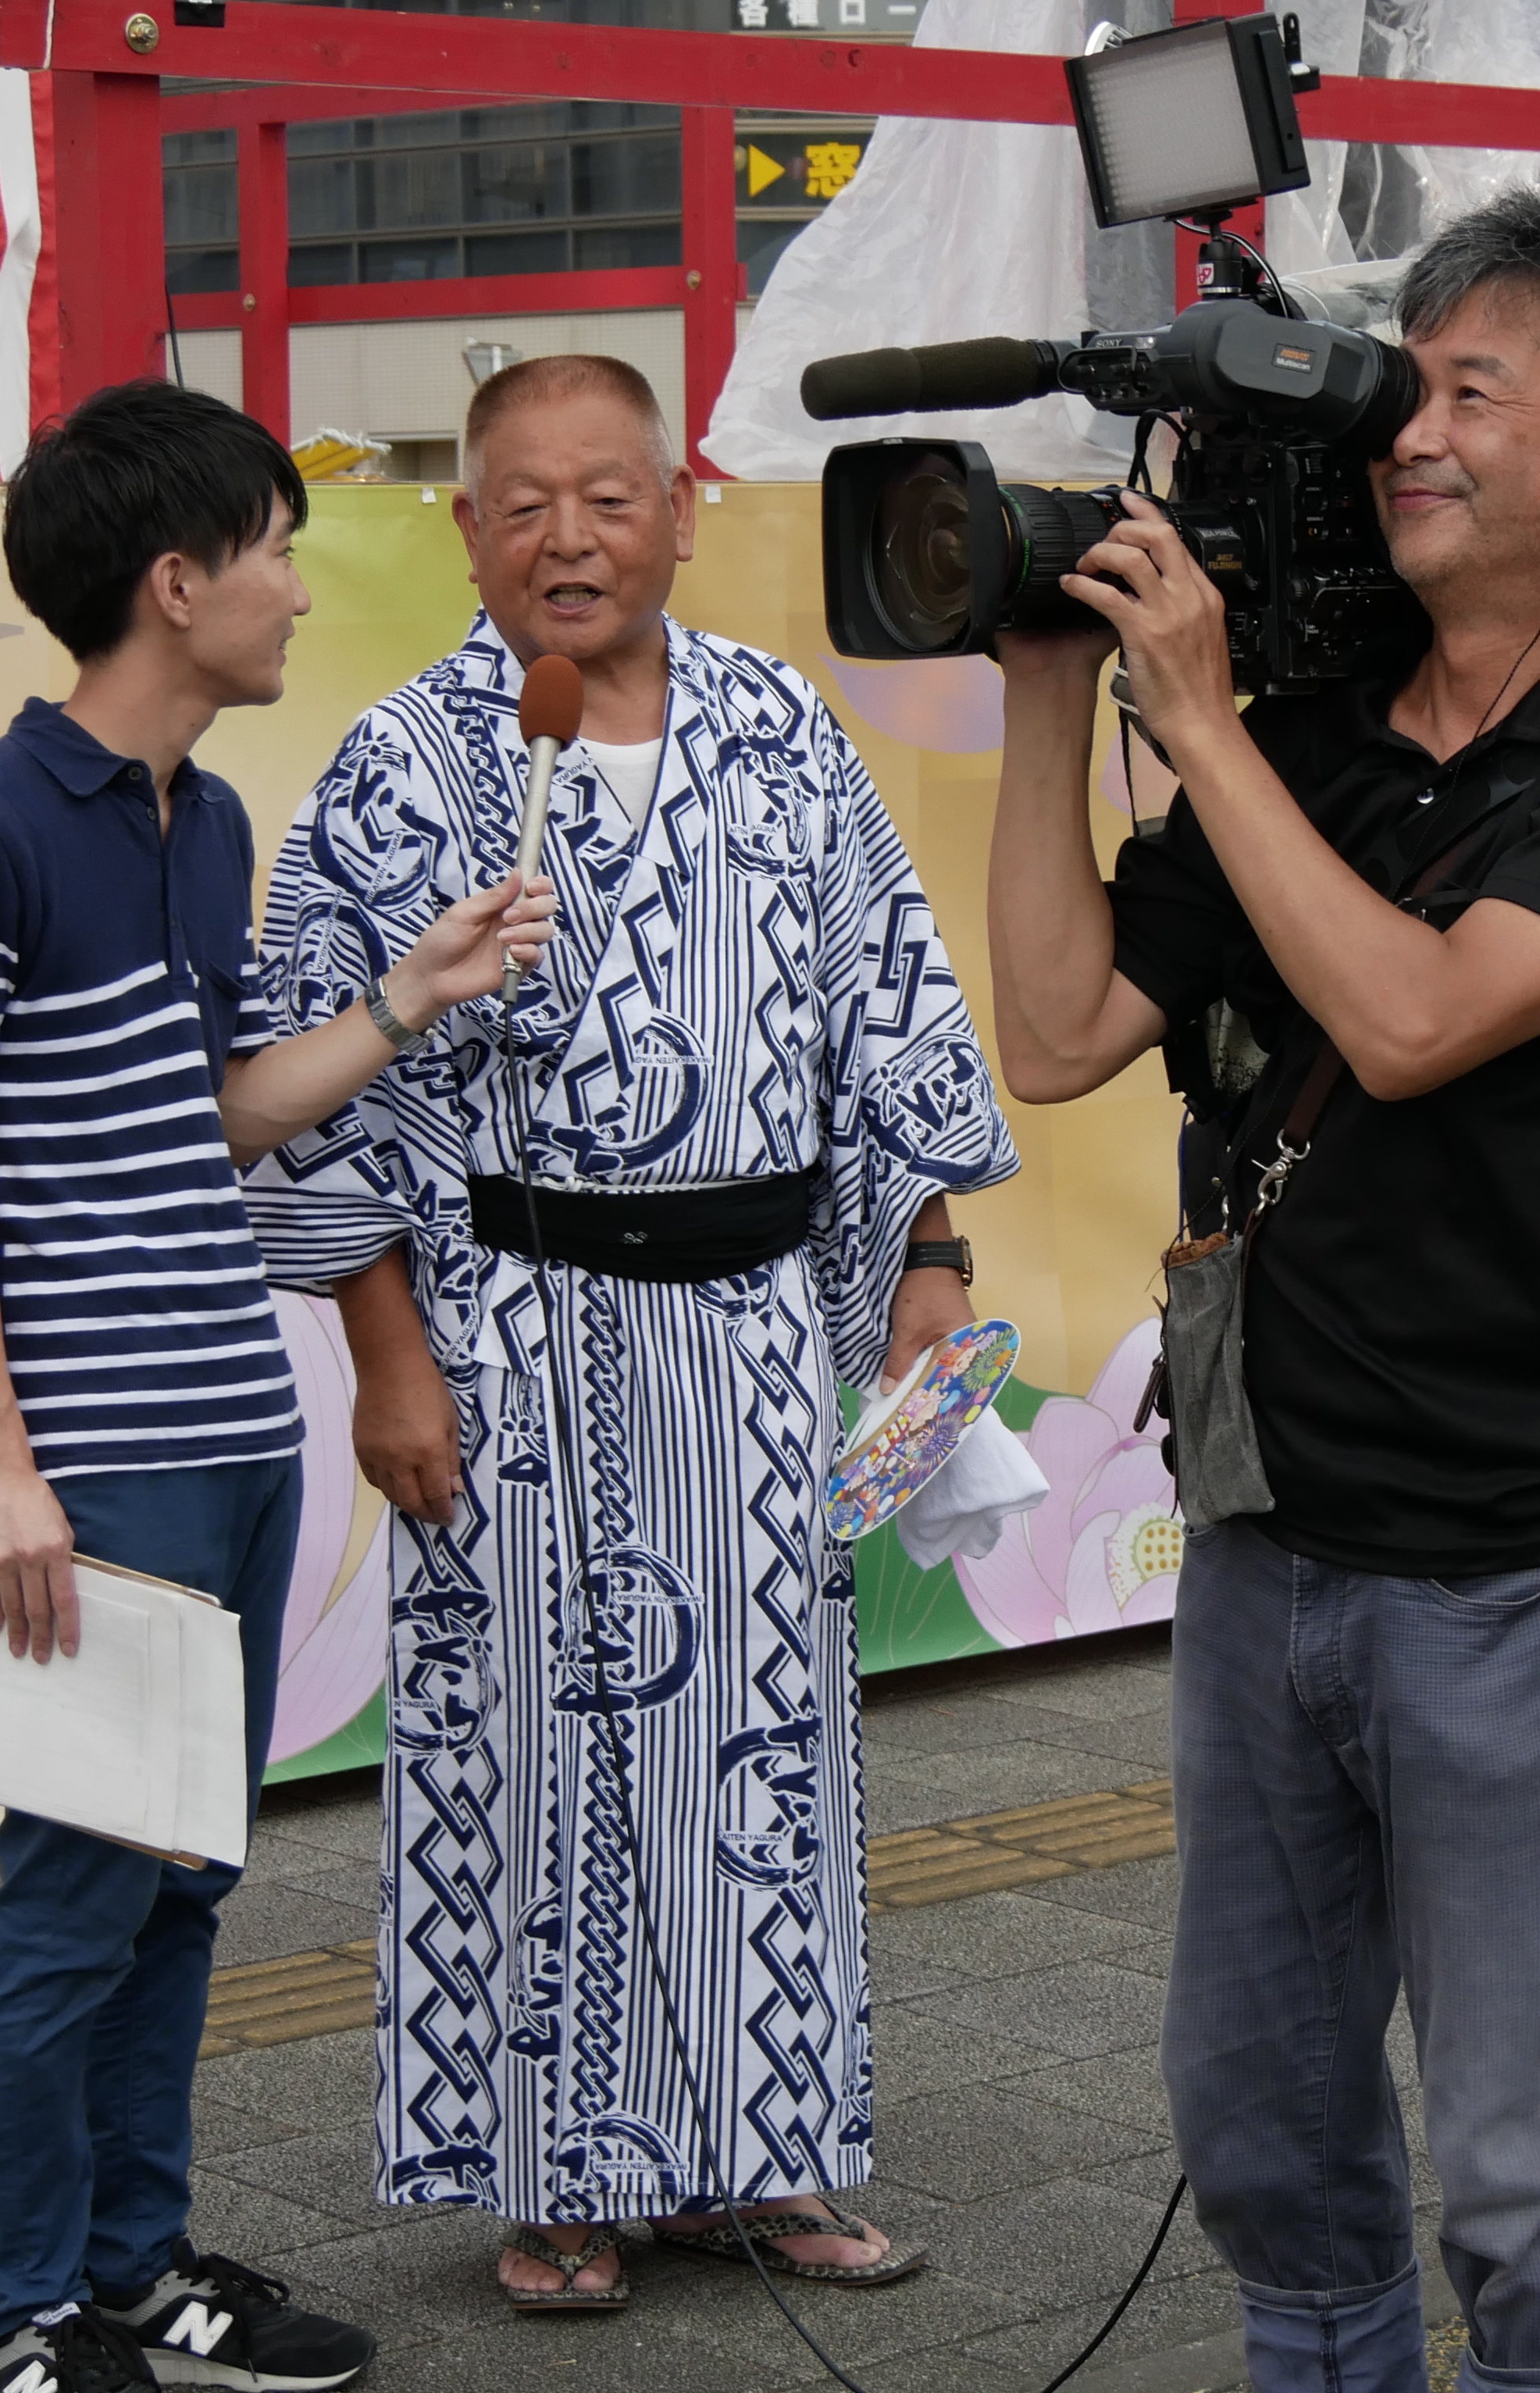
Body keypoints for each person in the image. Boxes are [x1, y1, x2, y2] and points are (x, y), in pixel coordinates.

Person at [984, 187, 1540, 2393]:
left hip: (1505, 1574)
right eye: (1400, 389)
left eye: (1468, 392)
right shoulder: (1312, 736)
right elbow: (1052, 1034)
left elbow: (1424, 1019)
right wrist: (1061, 699)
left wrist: (1211, 726)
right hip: (1259, 1544)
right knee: (1266, 2138)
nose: (1408, 434)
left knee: (1525, 2185)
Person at [245, 356, 1015, 2307]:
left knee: (766, 1755)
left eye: (608, 496)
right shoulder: (399, 766)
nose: (567, 536)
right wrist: (387, 1357)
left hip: (751, 1336)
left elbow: (886, 1014)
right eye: (523, 502)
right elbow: (318, 1085)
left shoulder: (786, 733)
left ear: (682, 508)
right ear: (465, 529)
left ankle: (772, 2154)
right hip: (511, 1332)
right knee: (528, 1753)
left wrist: (927, 1258)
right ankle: (560, 2174)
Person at [0, 380, 554, 2393]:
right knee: (74, 1897)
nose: (291, 580)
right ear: (175, 585)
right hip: (90, 1462)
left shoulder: (212, 817)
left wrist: (407, 997)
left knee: (182, 1872)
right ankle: (16, 2313)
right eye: (269, 543)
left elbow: (224, 1116)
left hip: (234, 1444)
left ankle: (136, 2260)